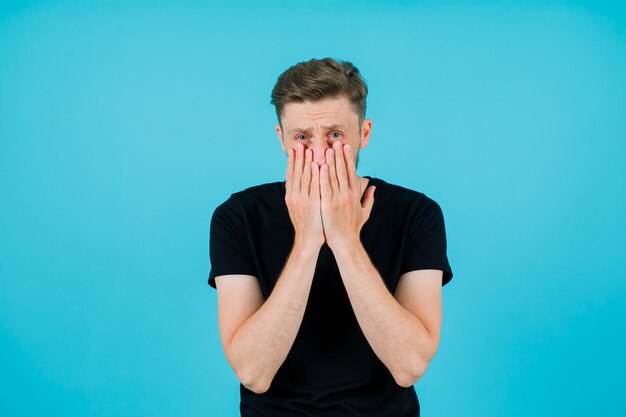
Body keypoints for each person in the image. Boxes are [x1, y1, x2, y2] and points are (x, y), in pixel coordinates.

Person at [207, 57, 454, 417]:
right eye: (302, 138)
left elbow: (409, 365)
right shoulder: (237, 217)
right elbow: (253, 372)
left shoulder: (417, 213)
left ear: (364, 134)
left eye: (335, 136)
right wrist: (308, 241)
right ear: (281, 139)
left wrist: (345, 239)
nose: (319, 154)